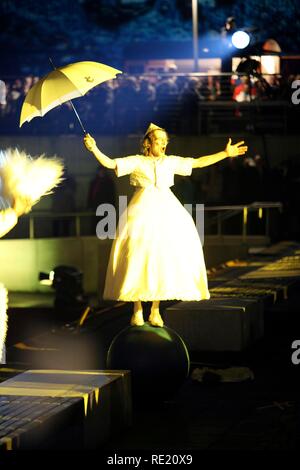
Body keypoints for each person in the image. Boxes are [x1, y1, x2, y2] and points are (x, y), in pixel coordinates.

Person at [84, 123, 247, 327]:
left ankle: (155, 309)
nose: (162, 144)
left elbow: (197, 163)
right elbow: (110, 163)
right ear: (148, 143)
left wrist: (225, 153)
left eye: (164, 141)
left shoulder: (170, 162)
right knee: (137, 255)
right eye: (158, 140)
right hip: (140, 212)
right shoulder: (137, 161)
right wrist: (94, 148)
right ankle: (137, 309)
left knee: (162, 257)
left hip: (167, 210)